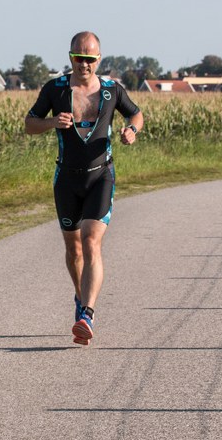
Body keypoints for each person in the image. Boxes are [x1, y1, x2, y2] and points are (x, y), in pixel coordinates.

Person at [24, 31, 144, 346]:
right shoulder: (55, 89)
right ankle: (80, 298)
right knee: (73, 249)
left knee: (91, 241)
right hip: (66, 179)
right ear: (71, 57)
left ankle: (87, 315)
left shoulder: (111, 90)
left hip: (100, 176)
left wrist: (132, 129)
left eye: (89, 59)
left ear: (98, 59)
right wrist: (52, 123)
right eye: (79, 57)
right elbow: (29, 123)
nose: (84, 64)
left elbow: (136, 113)